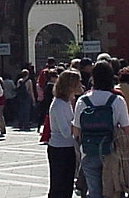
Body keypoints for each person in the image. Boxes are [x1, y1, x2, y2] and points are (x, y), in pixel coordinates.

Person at [73, 60, 129, 198]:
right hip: (112, 152)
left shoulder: (83, 101)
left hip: (89, 151)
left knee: (94, 192)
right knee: (114, 191)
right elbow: (127, 130)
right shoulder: (117, 100)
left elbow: (76, 130)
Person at [47, 70, 82, 198]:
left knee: (67, 186)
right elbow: (66, 132)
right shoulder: (58, 104)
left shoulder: (66, 102)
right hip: (59, 149)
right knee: (58, 185)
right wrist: (78, 122)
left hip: (67, 147)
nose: (80, 85)